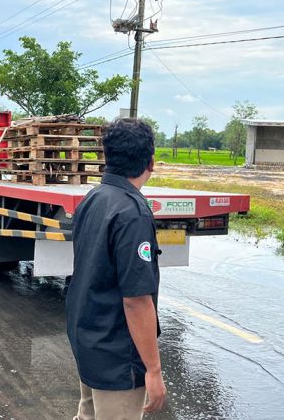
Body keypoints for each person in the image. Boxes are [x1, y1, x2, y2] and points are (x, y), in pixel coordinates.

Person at [66, 118, 166, 420]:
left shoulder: (93, 198)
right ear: (151, 162)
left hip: (89, 342)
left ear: (106, 157)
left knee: (88, 415)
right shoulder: (132, 212)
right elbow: (136, 299)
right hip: (117, 355)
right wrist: (153, 370)